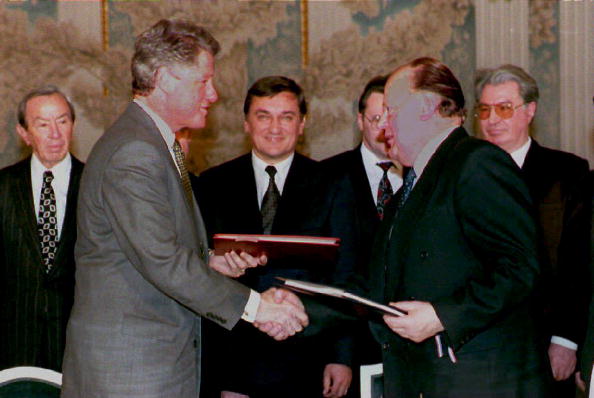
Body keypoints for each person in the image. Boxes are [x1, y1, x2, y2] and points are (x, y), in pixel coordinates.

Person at [263, 57, 551, 397]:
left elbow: (522, 268)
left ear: (426, 107)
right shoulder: (408, 190)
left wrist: (442, 316)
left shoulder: (476, 163)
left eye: (390, 110)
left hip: (479, 383)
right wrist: (302, 306)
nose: (383, 125)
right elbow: (375, 288)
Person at [60, 19, 307, 398]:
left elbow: (148, 249)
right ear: (164, 78)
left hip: (153, 366)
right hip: (132, 374)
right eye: (203, 81)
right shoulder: (135, 152)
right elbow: (160, 260)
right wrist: (258, 308)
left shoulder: (154, 143)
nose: (214, 93)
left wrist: (209, 260)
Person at [196, 75, 357, 398]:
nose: (275, 127)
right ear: (246, 123)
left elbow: (346, 274)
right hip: (232, 358)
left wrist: (342, 357)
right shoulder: (212, 184)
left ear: (302, 124)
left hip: (306, 356)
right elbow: (196, 267)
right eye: (263, 116)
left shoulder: (332, 184)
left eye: (287, 117)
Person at [475, 64, 591, 398]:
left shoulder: (568, 172)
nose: (492, 119)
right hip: (481, 345)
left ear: (530, 110)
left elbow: (577, 263)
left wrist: (566, 340)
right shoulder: (464, 173)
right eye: (484, 110)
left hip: (546, 340)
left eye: (504, 108)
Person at [321, 75, 401, 391]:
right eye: (375, 118)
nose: (383, 128)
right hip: (350, 348)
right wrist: (338, 354)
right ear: (359, 120)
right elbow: (329, 274)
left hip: (410, 342)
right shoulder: (327, 176)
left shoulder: (421, 176)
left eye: (390, 118)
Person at [0, 85, 83, 372]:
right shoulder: (4, 187)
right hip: (15, 347)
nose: (55, 134)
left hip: (79, 347)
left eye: (62, 121)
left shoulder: (97, 185)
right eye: (42, 124)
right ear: (24, 133)